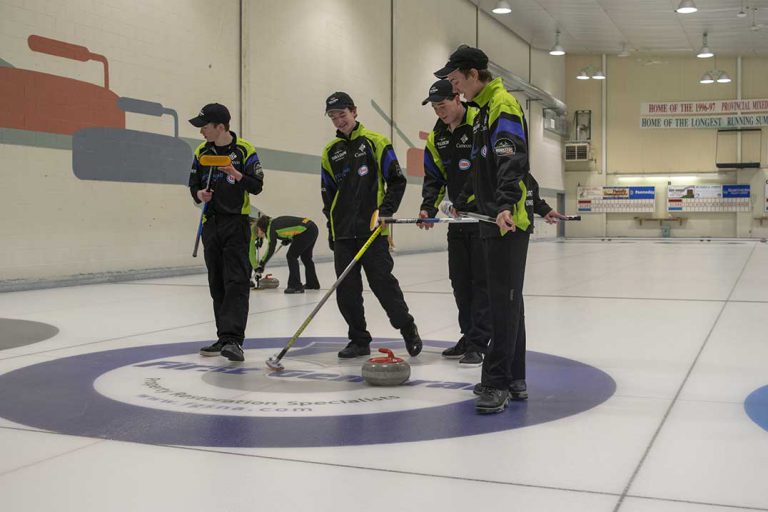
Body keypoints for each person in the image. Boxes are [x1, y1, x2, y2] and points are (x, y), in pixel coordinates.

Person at [436, 46, 531, 413]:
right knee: (509, 302)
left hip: (506, 221)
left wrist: (506, 204)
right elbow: (482, 170)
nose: (453, 85)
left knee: (502, 304)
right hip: (491, 218)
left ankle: (497, 382)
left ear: (473, 73)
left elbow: (511, 160)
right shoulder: (482, 112)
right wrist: (463, 199)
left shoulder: (501, 105)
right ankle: (516, 376)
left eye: (455, 78)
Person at [321, 92, 422, 359]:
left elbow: (397, 181)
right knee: (347, 291)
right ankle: (358, 339)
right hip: (343, 233)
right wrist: (333, 230)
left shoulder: (376, 142)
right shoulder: (330, 152)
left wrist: (385, 212)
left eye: (342, 114)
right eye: (333, 117)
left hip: (373, 231)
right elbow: (328, 195)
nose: (338, 121)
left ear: (354, 111)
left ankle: (407, 327)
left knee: (383, 285)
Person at [417, 79, 489, 367]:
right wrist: (427, 207)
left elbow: (483, 171)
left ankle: (480, 341)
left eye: (443, 105)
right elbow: (434, 176)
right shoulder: (437, 137)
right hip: (457, 221)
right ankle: (468, 334)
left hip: (482, 218)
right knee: (460, 282)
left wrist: (463, 201)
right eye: (435, 108)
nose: (439, 112)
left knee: (481, 282)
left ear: (457, 98)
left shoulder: (479, 125)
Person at [188, 103, 264, 362]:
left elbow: (257, 186)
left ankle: (234, 340)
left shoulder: (245, 150)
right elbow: (193, 183)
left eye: (205, 126)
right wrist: (199, 194)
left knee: (236, 281)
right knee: (217, 282)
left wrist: (235, 173)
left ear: (221, 126)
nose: (202, 132)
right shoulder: (202, 151)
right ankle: (223, 337)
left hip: (237, 223)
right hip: (211, 223)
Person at [252, 214, 320, 294]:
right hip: (312, 228)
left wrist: (262, 263)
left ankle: (295, 286)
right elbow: (292, 228)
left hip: (306, 231)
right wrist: (288, 238)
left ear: (261, 228)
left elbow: (270, 249)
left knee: (291, 256)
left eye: (258, 230)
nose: (258, 233)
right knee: (306, 257)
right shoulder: (275, 222)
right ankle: (312, 283)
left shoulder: (271, 229)